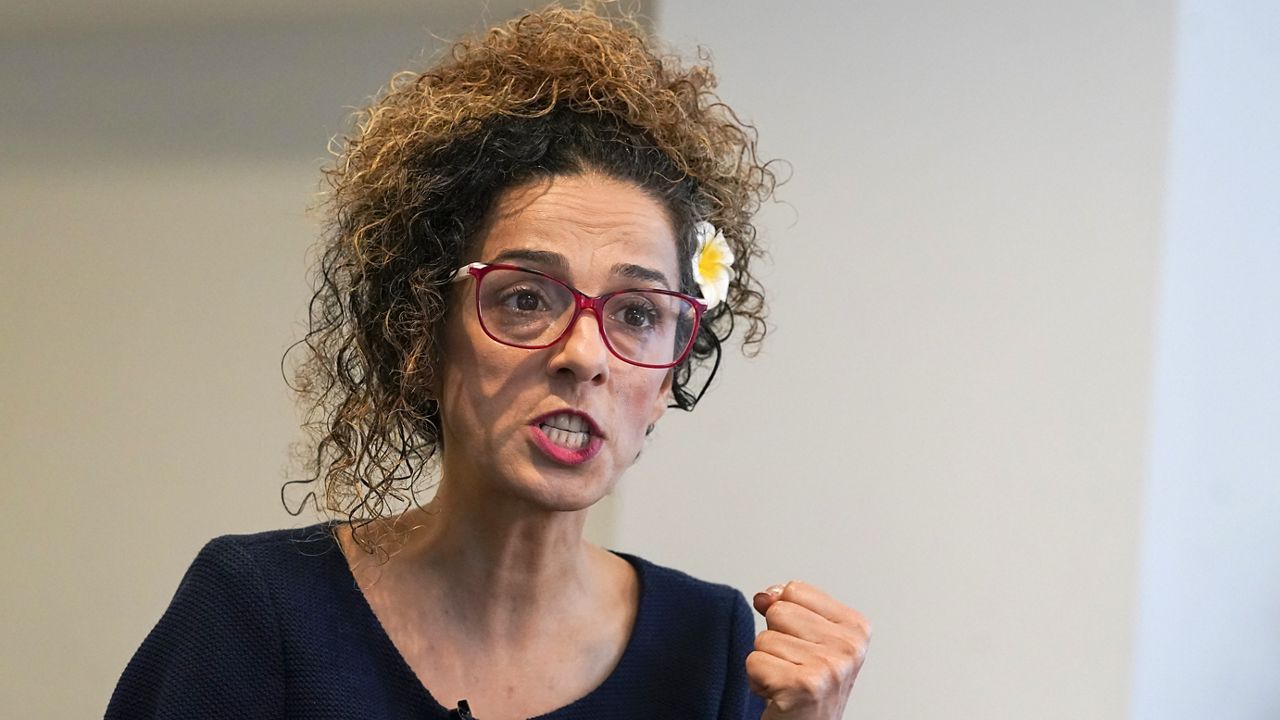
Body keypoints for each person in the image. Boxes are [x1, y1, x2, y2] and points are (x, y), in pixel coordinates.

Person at [106, 6, 869, 719]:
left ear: (669, 377)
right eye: (526, 300)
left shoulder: (712, 646)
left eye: (636, 314)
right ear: (422, 332)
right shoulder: (258, 612)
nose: (583, 356)